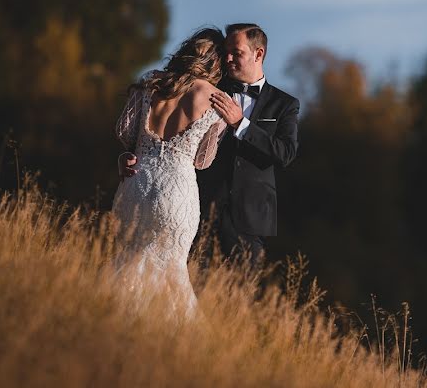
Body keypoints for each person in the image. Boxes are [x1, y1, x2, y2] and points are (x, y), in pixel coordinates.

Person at [120, 23, 300, 268]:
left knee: (240, 298)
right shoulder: (208, 88)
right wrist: (130, 155)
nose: (228, 58)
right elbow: (159, 130)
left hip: (249, 218)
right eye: (226, 52)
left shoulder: (284, 104)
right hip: (197, 208)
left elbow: (285, 153)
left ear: (259, 54)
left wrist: (241, 124)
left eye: (237, 53)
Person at [111, 27, 229, 316]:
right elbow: (202, 160)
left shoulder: (150, 83)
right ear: (217, 63)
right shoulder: (218, 100)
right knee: (172, 272)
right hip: (176, 192)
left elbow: (123, 130)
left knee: (125, 263)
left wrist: (136, 151)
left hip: (137, 183)